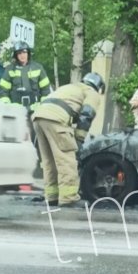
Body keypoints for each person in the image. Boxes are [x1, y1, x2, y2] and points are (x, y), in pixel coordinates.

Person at [31, 73, 104, 207]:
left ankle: (52, 196)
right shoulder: (91, 92)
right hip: (56, 119)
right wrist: (79, 139)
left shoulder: (70, 87)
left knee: (49, 161)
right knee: (67, 160)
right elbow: (87, 114)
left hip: (38, 117)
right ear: (98, 86)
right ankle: (69, 198)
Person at [0, 41, 51, 112]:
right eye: (19, 53)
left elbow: (46, 90)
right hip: (15, 110)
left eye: (24, 52)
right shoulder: (9, 69)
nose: (22, 55)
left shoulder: (38, 68)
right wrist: (7, 107)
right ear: (15, 55)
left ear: (28, 53)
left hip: (35, 110)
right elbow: (3, 91)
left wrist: (43, 107)